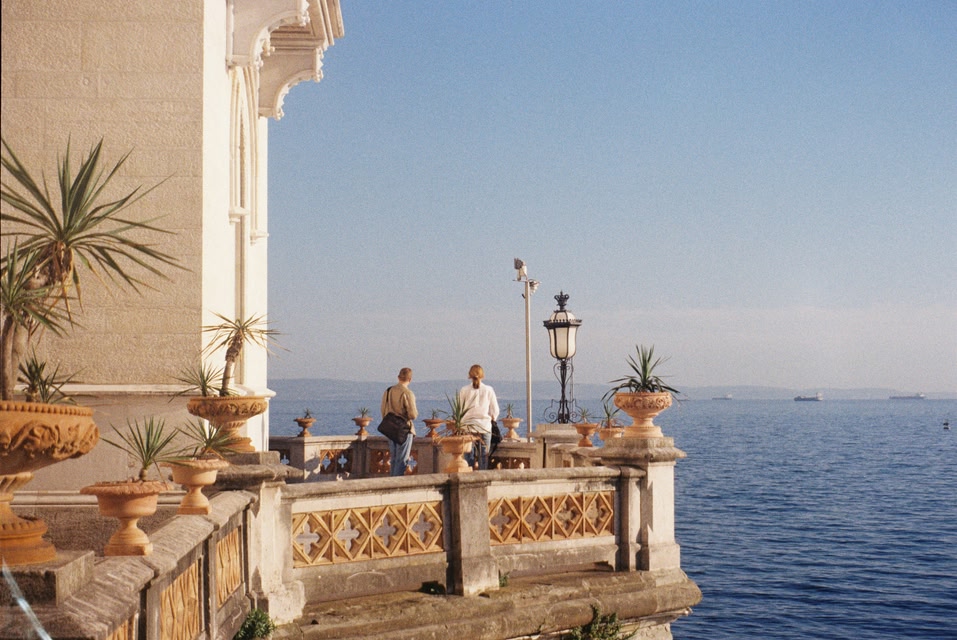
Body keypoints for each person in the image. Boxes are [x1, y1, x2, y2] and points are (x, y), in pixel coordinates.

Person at [457, 364, 500, 470]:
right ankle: (481, 479)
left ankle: (468, 478)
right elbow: (495, 411)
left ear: (469, 375)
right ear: (482, 375)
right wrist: (491, 418)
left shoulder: (464, 390)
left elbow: (459, 410)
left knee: (468, 456)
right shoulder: (488, 390)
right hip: (484, 427)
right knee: (483, 457)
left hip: (468, 427)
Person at [380, 367, 418, 476]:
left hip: (390, 428)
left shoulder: (388, 391)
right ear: (410, 379)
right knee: (402, 460)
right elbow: (413, 414)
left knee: (394, 459)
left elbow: (383, 410)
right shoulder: (407, 393)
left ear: (398, 377)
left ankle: (391, 482)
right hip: (404, 429)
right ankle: (396, 484)